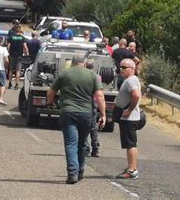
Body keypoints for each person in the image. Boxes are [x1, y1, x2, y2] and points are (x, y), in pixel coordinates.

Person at [46, 54, 106, 184]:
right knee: (82, 142)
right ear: (84, 63)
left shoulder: (64, 74)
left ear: (72, 63)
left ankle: (72, 173)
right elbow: (100, 96)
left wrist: (50, 103)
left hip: (68, 112)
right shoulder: (93, 75)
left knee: (71, 143)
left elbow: (51, 92)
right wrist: (103, 114)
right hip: (86, 113)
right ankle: (80, 171)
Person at [115, 58, 141, 179]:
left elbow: (135, 95)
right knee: (129, 143)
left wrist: (129, 110)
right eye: (120, 67)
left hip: (129, 118)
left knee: (130, 144)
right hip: (127, 117)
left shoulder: (131, 81)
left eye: (124, 68)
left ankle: (132, 170)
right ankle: (131, 167)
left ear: (132, 69)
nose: (121, 70)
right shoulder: (129, 80)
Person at [84, 59, 101, 157]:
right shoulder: (97, 77)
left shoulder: (83, 76)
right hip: (93, 103)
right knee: (93, 127)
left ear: (85, 65)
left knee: (83, 126)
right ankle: (96, 148)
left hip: (84, 102)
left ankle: (86, 148)